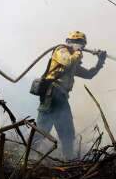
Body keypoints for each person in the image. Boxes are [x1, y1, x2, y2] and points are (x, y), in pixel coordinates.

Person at [35, 31, 106, 160]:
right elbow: (67, 61)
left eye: (81, 44)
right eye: (77, 42)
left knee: (67, 133)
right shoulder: (60, 50)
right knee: (42, 130)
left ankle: (68, 160)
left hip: (61, 97)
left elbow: (89, 75)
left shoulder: (73, 62)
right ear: (68, 42)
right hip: (52, 94)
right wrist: (78, 52)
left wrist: (100, 62)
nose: (80, 46)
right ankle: (26, 157)